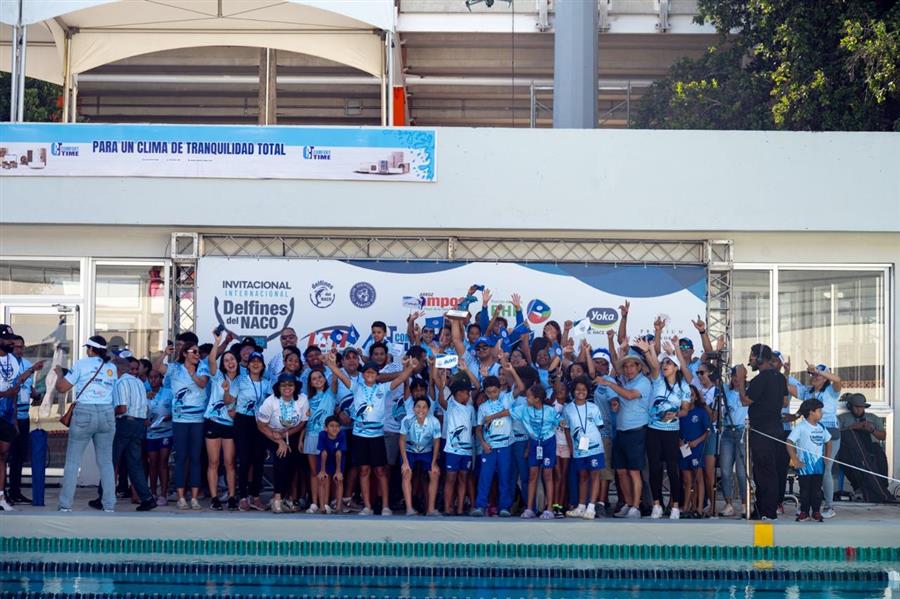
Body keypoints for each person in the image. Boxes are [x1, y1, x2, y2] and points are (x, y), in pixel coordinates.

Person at [326, 352, 413, 516]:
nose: (370, 375)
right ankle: (367, 506)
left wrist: (409, 368)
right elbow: (341, 377)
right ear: (363, 374)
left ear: (377, 375)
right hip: (360, 436)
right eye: (367, 372)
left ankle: (386, 506)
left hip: (377, 436)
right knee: (364, 470)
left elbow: (400, 379)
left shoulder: (382, 388)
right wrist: (331, 365)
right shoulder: (357, 387)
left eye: (373, 372)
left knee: (380, 471)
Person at [55, 336, 118, 512]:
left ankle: (65, 505)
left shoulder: (82, 364)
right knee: (106, 463)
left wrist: (60, 374)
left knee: (73, 462)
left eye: (87, 348)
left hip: (84, 412)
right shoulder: (111, 367)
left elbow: (62, 388)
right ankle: (109, 505)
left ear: (91, 349)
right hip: (106, 413)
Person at [636, 338, 692, 520]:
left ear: (676, 367)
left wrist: (675, 415)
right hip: (653, 429)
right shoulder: (657, 380)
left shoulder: (683, 386)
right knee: (655, 468)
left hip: (671, 431)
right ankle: (657, 504)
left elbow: (685, 409)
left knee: (673, 468)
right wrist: (647, 350)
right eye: (664, 362)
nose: (665, 365)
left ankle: (676, 505)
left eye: (669, 363)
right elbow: (653, 366)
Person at [733, 343, 788, 520]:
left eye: (752, 357)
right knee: (770, 471)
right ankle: (764, 508)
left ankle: (767, 511)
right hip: (777, 429)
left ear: (760, 358)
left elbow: (745, 401)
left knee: (764, 472)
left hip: (762, 431)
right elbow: (785, 402)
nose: (750, 361)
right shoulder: (779, 378)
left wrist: (741, 381)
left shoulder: (760, 379)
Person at [598, 348, 651, 519]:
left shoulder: (643, 382)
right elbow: (622, 397)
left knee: (634, 471)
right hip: (620, 431)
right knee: (621, 471)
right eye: (626, 367)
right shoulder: (625, 382)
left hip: (636, 431)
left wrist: (609, 384)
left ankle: (636, 506)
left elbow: (629, 396)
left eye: (631, 366)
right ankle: (628, 504)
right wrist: (615, 403)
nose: (628, 369)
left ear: (639, 367)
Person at [156, 339, 209, 510]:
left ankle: (194, 497)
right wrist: (165, 354)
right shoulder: (175, 368)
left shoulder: (202, 367)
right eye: (193, 351)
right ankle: (180, 497)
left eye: (198, 352)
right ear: (185, 353)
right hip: (179, 420)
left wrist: (192, 372)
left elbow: (202, 383)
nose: (197, 354)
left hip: (197, 420)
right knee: (181, 458)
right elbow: (157, 368)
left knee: (195, 458)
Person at [98, 358, 155, 511]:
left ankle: (102, 498)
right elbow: (145, 408)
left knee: (111, 461)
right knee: (135, 463)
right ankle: (147, 498)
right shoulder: (139, 383)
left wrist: (108, 411)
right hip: (139, 424)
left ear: (118, 369)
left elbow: (122, 408)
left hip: (125, 423)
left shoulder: (120, 382)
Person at [256, 373, 308, 514]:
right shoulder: (270, 401)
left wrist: (285, 436)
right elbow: (261, 425)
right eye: (283, 385)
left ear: (295, 387)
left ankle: (287, 498)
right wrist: (279, 441)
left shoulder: (302, 399)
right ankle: (277, 498)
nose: (287, 388)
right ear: (278, 387)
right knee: (281, 459)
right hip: (271, 433)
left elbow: (303, 422)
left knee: (294, 463)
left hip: (292, 433)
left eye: (290, 385)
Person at [509, 383, 560, 520]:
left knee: (548, 474)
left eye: (529, 397)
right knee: (532, 475)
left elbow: (560, 422)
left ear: (537, 399)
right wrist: (491, 417)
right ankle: (529, 508)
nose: (526, 398)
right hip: (533, 443)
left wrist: (562, 422)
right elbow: (507, 412)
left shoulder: (550, 411)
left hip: (548, 443)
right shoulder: (524, 409)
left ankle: (549, 509)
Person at [204, 332, 240, 511]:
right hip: (213, 422)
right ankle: (214, 498)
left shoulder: (242, 380)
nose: (230, 362)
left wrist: (226, 392)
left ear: (237, 361)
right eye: (226, 360)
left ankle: (232, 497)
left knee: (230, 462)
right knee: (213, 462)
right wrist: (217, 342)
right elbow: (211, 360)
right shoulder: (217, 376)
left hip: (230, 426)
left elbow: (229, 401)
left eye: (232, 359)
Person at [470, 375, 514, 518]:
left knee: (504, 476)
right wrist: (483, 443)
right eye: (488, 392)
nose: (492, 395)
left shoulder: (506, 399)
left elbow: (509, 411)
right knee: (485, 477)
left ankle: (505, 507)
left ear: (500, 389)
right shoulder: (483, 407)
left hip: (506, 445)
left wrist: (492, 417)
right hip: (489, 447)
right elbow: (478, 428)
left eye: (494, 391)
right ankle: (480, 506)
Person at [562, 376, 605, 520]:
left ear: (588, 391)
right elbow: (567, 429)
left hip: (595, 447)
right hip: (579, 448)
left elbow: (599, 427)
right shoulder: (568, 409)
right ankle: (581, 506)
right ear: (573, 391)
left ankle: (591, 506)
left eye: (584, 390)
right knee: (583, 476)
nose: (581, 392)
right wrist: (571, 447)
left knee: (595, 474)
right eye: (578, 390)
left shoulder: (593, 407)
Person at [7, 336, 43, 505]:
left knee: (20, 456)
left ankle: (15, 491)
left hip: (23, 416)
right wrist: (32, 370)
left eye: (21, 347)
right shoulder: (6, 364)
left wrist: (36, 395)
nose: (19, 350)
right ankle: (4, 491)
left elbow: (27, 385)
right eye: (15, 347)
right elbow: (15, 382)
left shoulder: (27, 364)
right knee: (6, 454)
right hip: (9, 417)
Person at [803, 362, 842, 519]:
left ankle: (829, 505)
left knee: (825, 468)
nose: (814, 377)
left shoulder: (831, 391)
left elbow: (838, 380)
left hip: (830, 432)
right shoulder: (809, 392)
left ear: (825, 378)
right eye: (813, 374)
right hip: (812, 433)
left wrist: (820, 371)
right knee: (811, 468)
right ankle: (809, 505)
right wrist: (786, 372)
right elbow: (789, 388)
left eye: (818, 375)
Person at [837, 393, 891, 503]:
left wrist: (872, 430)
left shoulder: (873, 418)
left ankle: (881, 487)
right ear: (850, 406)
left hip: (872, 448)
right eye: (856, 407)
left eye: (862, 407)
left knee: (879, 455)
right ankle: (859, 488)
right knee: (845, 457)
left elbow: (883, 436)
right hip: (852, 451)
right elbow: (836, 434)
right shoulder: (842, 418)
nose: (859, 410)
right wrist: (853, 427)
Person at [234, 352, 271, 511]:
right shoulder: (241, 381)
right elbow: (230, 399)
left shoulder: (267, 383)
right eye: (252, 361)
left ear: (263, 366)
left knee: (258, 461)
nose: (256, 364)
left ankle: (255, 497)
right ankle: (243, 496)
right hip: (243, 421)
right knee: (244, 461)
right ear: (248, 365)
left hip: (261, 423)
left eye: (259, 362)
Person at [786, 398, 832, 522]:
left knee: (817, 490)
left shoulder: (821, 427)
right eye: (819, 410)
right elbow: (789, 442)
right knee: (805, 490)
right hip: (805, 466)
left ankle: (816, 511)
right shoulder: (801, 427)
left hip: (818, 465)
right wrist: (794, 459)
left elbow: (828, 441)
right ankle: (804, 512)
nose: (821, 413)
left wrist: (827, 458)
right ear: (811, 412)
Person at [399, 396, 442, 516]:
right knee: (406, 472)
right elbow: (401, 440)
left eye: (424, 407)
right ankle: (409, 509)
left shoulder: (434, 422)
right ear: (413, 408)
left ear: (428, 409)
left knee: (434, 473)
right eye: (418, 406)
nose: (421, 410)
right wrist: (405, 462)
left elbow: (436, 442)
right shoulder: (407, 420)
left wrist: (434, 463)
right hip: (409, 451)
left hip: (426, 451)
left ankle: (431, 509)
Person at [303, 368, 336, 514]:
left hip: (325, 436)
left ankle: (325, 503)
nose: (318, 380)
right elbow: (305, 420)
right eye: (314, 378)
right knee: (313, 471)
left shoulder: (330, 394)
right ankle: (314, 503)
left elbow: (335, 378)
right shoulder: (307, 399)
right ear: (310, 383)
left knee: (325, 471)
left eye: (320, 376)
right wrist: (302, 437)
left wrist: (331, 362)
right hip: (310, 436)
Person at [719, 366, 749, 517]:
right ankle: (728, 503)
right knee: (725, 471)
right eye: (733, 376)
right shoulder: (725, 389)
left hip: (742, 431)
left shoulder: (749, 391)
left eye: (739, 376)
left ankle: (745, 503)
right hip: (727, 432)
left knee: (742, 472)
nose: (736, 379)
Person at [679, 386, 710, 518]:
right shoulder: (681, 413)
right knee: (687, 480)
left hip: (696, 449)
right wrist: (680, 441)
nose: (689, 397)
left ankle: (699, 508)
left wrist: (697, 441)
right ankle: (686, 506)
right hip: (683, 448)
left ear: (695, 397)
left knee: (698, 479)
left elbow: (708, 431)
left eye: (691, 395)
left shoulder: (700, 412)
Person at [0, 332, 22, 511]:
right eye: (7, 339)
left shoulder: (13, 360)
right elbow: (10, 391)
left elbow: (15, 388)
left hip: (6, 414)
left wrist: (14, 417)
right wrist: (7, 394)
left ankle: (1, 498)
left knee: (2, 456)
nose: (11, 342)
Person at [145, 369, 173, 506]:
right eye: (150, 377)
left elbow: (176, 408)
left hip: (166, 431)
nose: (153, 380)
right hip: (151, 432)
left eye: (156, 377)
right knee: (152, 463)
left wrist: (170, 416)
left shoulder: (168, 392)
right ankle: (153, 492)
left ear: (161, 378)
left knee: (163, 462)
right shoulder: (145, 394)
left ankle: (163, 493)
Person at [316, 416, 346, 514]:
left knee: (339, 480)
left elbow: (339, 453)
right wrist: (322, 471)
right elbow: (323, 452)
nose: (334, 428)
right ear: (326, 428)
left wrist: (338, 471)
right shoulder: (322, 435)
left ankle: (338, 507)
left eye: (337, 426)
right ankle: (322, 507)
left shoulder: (342, 434)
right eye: (331, 426)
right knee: (322, 480)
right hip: (324, 460)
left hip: (338, 460)